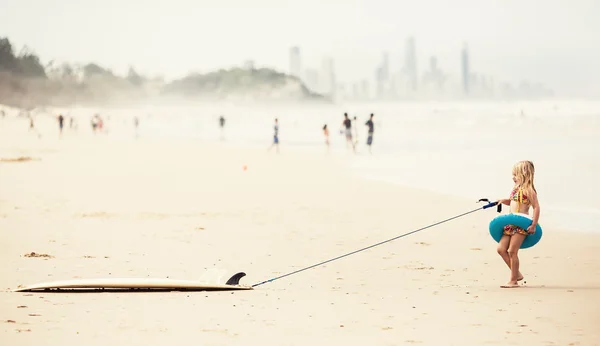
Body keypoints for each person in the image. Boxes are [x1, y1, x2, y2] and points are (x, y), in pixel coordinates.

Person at [495, 160, 540, 288]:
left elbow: (536, 207)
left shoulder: (529, 191)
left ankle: (513, 281)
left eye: (516, 174)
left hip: (521, 226)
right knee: (501, 249)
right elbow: (512, 202)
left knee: (512, 251)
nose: (513, 177)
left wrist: (534, 224)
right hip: (510, 224)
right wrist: (503, 201)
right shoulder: (516, 189)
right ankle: (517, 274)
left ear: (525, 175)